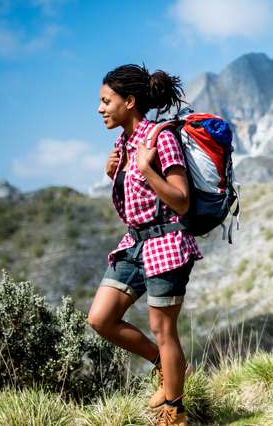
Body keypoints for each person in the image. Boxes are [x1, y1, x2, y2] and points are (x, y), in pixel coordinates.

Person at [87, 64, 199, 425]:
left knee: (163, 329)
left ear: (129, 101)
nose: (100, 108)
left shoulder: (160, 138)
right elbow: (133, 200)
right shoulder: (122, 142)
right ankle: (165, 366)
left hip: (166, 242)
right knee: (101, 318)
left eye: (107, 101)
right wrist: (112, 174)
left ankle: (175, 412)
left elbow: (181, 201)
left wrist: (148, 170)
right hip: (134, 244)